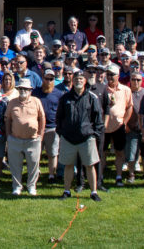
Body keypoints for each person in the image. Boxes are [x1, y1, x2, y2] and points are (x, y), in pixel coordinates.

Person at [57, 69, 104, 202]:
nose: (78, 81)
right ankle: (66, 190)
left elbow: (98, 119)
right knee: (68, 165)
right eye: (76, 79)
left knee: (90, 165)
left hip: (86, 138)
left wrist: (93, 134)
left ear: (85, 81)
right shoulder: (65, 98)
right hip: (68, 138)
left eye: (81, 79)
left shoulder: (91, 97)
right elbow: (59, 118)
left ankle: (93, 192)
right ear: (72, 81)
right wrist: (62, 133)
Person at [4, 77, 45, 195]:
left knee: (33, 164)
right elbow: (7, 120)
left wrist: (40, 135)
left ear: (30, 91)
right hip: (15, 139)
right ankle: (17, 186)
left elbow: (42, 118)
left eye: (26, 89)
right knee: (15, 165)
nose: (23, 91)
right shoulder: (12, 102)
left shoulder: (36, 101)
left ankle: (32, 186)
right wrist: (8, 136)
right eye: (21, 88)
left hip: (33, 140)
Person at [101, 64, 133, 188]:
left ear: (118, 76)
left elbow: (129, 106)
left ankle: (119, 176)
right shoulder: (102, 89)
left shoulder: (125, 90)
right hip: (104, 127)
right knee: (102, 152)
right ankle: (101, 176)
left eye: (112, 75)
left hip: (119, 126)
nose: (109, 77)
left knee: (119, 152)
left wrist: (124, 122)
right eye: (108, 74)